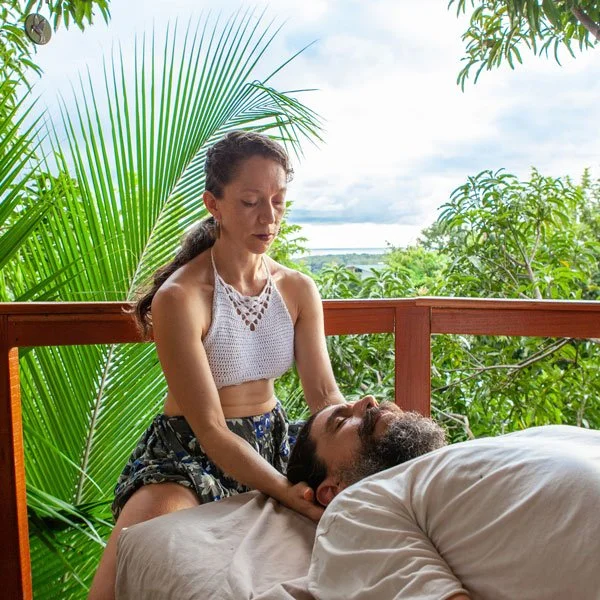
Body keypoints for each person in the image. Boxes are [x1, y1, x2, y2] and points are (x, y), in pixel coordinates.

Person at [89, 131, 344, 600]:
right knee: (122, 573)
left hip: (273, 443)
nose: (269, 217)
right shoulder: (181, 297)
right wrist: (285, 491)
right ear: (214, 204)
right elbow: (210, 429)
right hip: (188, 452)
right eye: (250, 201)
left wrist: (353, 449)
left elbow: (325, 397)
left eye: (278, 201)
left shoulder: (298, 289)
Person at [287, 397, 600, 600]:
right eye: (341, 421)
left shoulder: (500, 447)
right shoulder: (352, 507)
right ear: (332, 489)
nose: (369, 400)